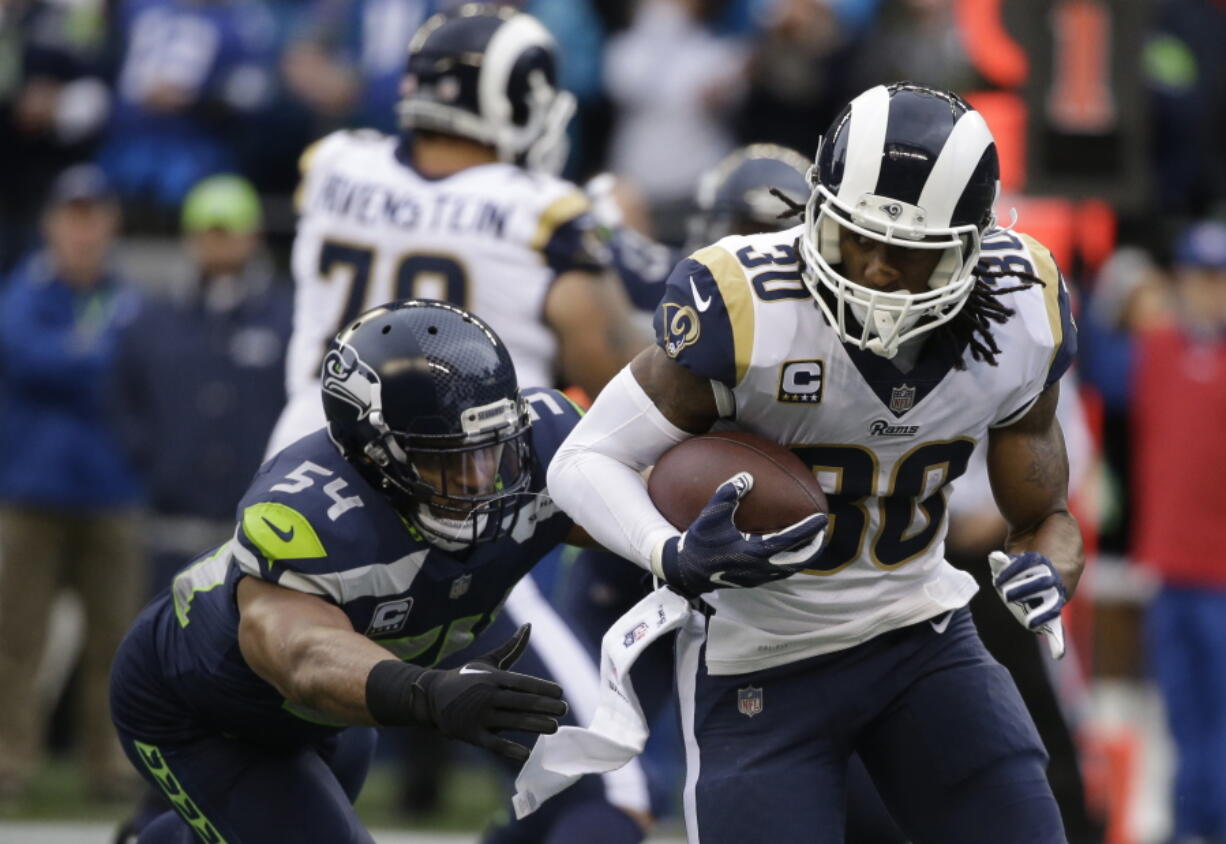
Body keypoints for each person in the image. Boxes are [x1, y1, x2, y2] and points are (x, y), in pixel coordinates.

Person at [545, 82, 1083, 842]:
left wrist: (1048, 570)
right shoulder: (746, 304)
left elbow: (1046, 519)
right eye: (854, 238)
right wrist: (671, 552)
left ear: (970, 248)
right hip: (760, 660)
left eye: (911, 253)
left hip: (920, 638)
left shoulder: (1022, 310)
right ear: (815, 211)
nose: (877, 271)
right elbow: (584, 460)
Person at [110, 300, 588, 843]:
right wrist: (428, 693)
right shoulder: (311, 511)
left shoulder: (540, 447)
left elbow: (639, 508)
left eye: (491, 451)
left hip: (330, 715)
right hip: (202, 707)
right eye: (446, 457)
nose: (480, 480)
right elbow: (302, 654)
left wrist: (677, 552)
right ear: (375, 454)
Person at [264, 2, 642, 458]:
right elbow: (625, 391)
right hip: (465, 479)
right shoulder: (543, 214)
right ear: (511, 102)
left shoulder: (332, 165)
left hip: (308, 453)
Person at [0, 164, 145, 803]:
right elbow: (30, 359)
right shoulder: (24, 291)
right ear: (52, 224)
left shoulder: (129, 300)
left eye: (95, 215)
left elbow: (136, 374)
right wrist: (92, 358)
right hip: (30, 490)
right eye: (73, 216)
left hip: (112, 489)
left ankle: (110, 768)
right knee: (15, 639)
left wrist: (79, 358)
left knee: (117, 643)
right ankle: (10, 764)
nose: (84, 230)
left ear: (110, 224)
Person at [115, 174, 293, 596]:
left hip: (259, 527)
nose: (219, 244)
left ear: (253, 236)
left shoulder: (288, 317)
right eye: (209, 233)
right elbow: (122, 397)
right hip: (170, 522)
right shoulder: (154, 318)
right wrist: (155, 462)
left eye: (228, 232)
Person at [1132, 220, 1226, 843]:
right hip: (1169, 570)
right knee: (1180, 715)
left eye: (1217, 280)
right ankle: (1189, 823)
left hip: (1222, 577)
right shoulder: (1156, 352)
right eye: (1197, 277)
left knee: (1217, 722)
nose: (1207, 291)